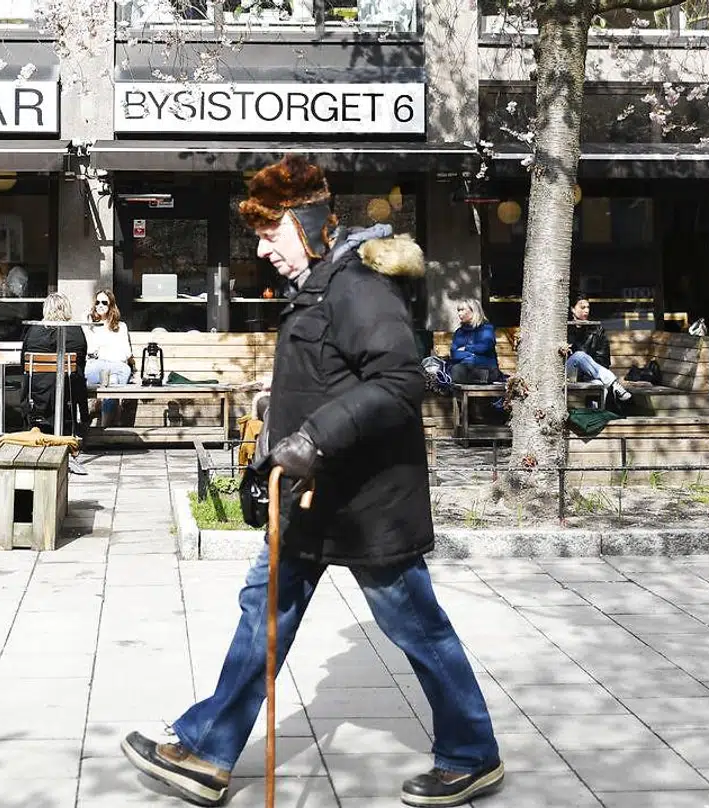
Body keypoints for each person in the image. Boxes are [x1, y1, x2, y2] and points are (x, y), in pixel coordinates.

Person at [120, 154, 503, 808]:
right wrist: (268, 454)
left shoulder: (358, 287)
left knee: (416, 626)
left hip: (367, 505)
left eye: (271, 232)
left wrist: (313, 439)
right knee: (262, 612)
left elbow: (399, 381)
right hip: (312, 499)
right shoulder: (320, 286)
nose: (261, 249)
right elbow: (323, 384)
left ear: (306, 222)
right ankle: (208, 751)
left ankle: (472, 754)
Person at [21, 292, 89, 447]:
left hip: (37, 391)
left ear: (46, 309)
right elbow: (82, 363)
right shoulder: (76, 331)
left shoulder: (33, 331)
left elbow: (23, 363)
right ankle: (81, 424)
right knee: (78, 377)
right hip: (69, 391)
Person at [562, 296, 631, 403]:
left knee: (600, 384)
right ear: (572, 309)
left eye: (588, 307)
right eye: (582, 307)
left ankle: (595, 411)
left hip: (588, 374)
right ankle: (614, 383)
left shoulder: (596, 329)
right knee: (579, 356)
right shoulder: (563, 328)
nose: (586, 310)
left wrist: (589, 371)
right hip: (568, 371)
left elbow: (603, 359)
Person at [85, 289, 133, 427]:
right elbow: (90, 351)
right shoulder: (91, 326)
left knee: (114, 379)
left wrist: (103, 353)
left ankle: (104, 426)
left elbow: (126, 354)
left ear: (111, 305)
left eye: (104, 303)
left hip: (115, 369)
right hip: (96, 368)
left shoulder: (121, 327)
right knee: (114, 378)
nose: (100, 305)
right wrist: (109, 354)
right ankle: (106, 425)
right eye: (97, 302)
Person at [445, 299, 499, 385]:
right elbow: (454, 353)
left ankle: (484, 377)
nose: (459, 314)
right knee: (454, 371)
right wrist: (472, 354)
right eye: (458, 311)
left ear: (473, 311)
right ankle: (482, 378)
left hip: (486, 367)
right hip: (464, 367)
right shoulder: (459, 332)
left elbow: (485, 347)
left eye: (462, 310)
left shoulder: (486, 328)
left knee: (457, 371)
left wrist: (466, 348)